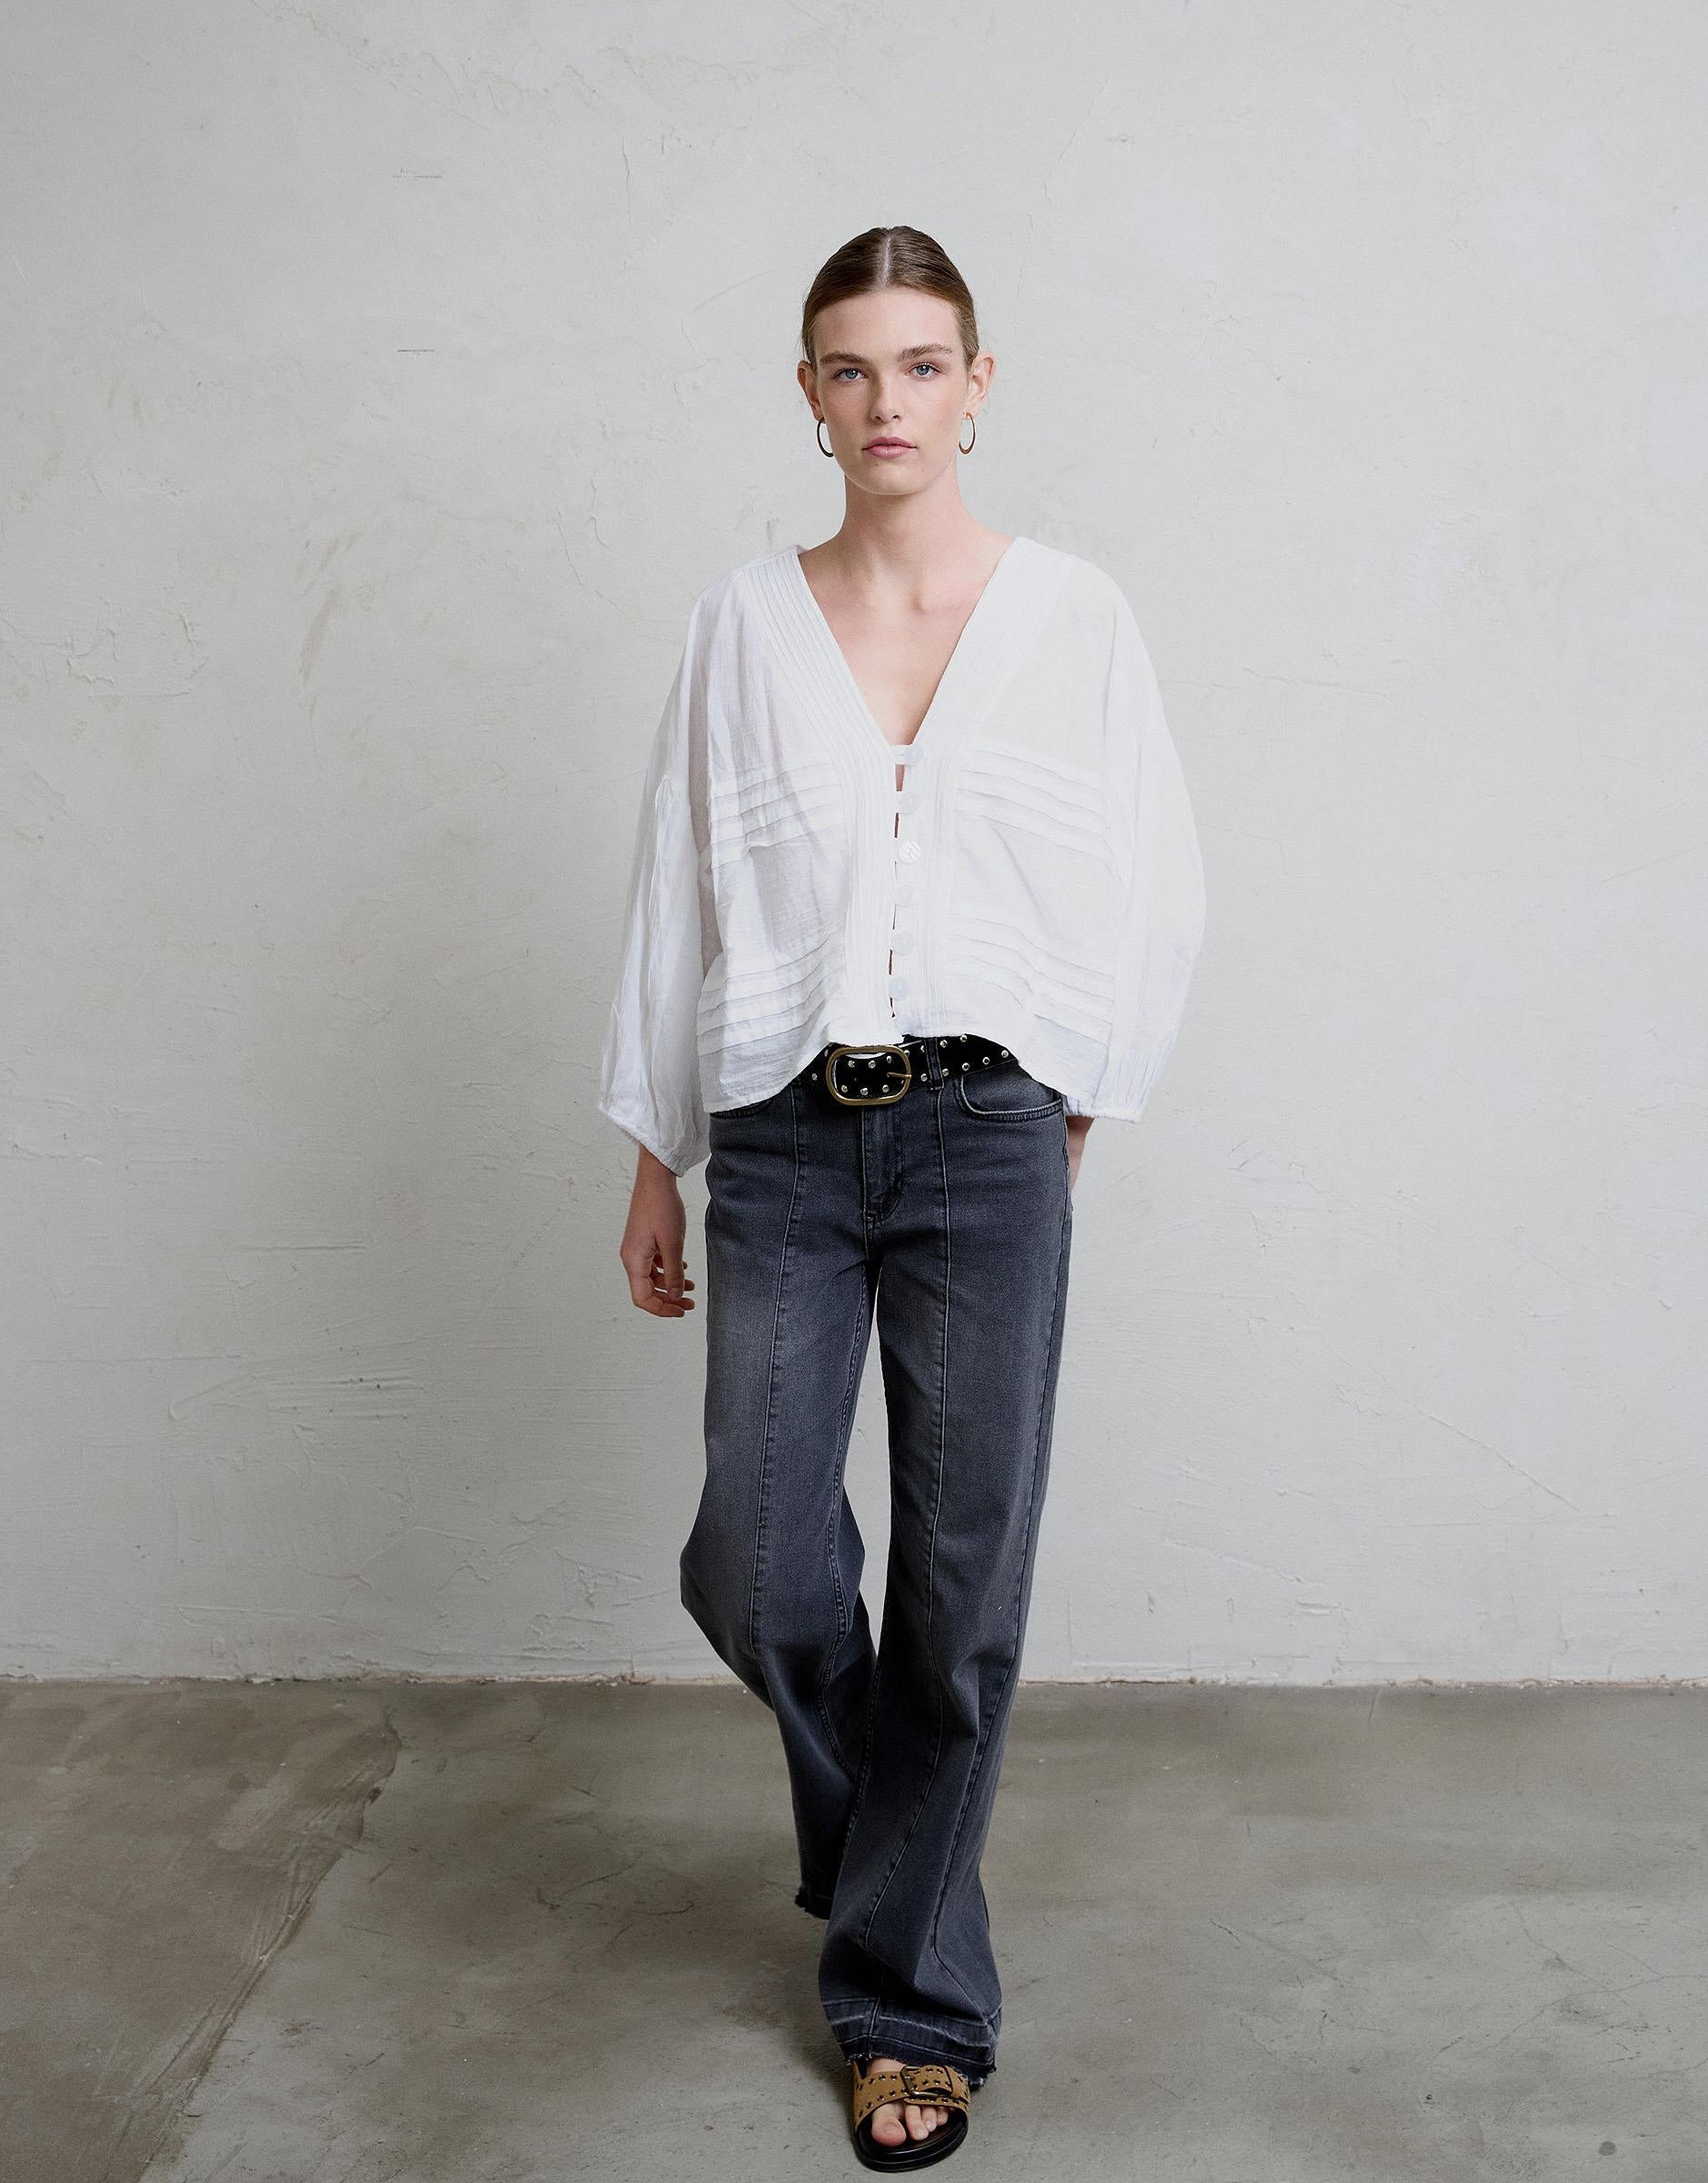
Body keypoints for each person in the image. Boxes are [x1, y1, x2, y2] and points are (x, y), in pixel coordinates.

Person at [598, 224, 1206, 2170]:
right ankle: (903, 1863)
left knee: (961, 1588)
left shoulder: (1074, 617)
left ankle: (910, 2009)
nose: (888, 402)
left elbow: (1152, 874)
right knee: (759, 1563)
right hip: (782, 1130)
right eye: (851, 368)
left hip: (986, 1134)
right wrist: (654, 1148)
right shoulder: (740, 624)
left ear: (978, 385)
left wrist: (1084, 1095)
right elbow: (680, 888)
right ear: (808, 394)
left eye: (922, 365)